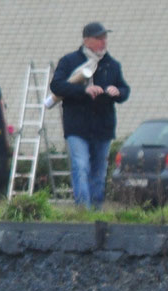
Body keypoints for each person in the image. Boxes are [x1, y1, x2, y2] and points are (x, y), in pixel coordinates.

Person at [50, 22, 130, 209]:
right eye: (98, 38)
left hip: (103, 127)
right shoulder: (69, 61)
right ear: (87, 40)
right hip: (77, 127)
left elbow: (125, 89)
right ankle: (83, 210)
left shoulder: (112, 64)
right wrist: (84, 91)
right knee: (81, 166)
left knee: (99, 172)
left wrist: (117, 91)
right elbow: (57, 86)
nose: (103, 42)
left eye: (105, 38)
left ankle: (96, 211)